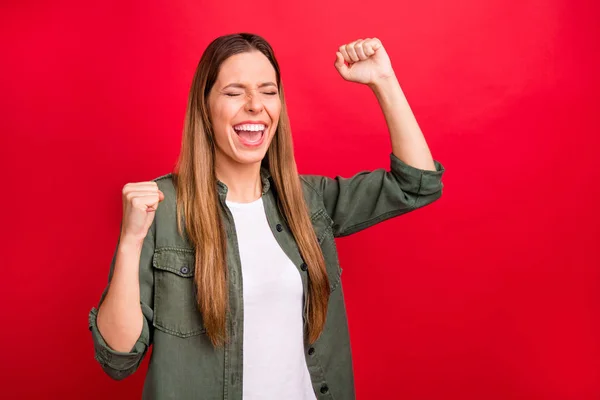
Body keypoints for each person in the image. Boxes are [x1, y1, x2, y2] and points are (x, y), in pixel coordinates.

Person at [88, 32, 445, 400]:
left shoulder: (306, 202)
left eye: (268, 91)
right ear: (205, 107)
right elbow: (117, 358)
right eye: (233, 92)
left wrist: (383, 81)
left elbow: (417, 185)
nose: (255, 105)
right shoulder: (162, 209)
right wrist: (131, 241)